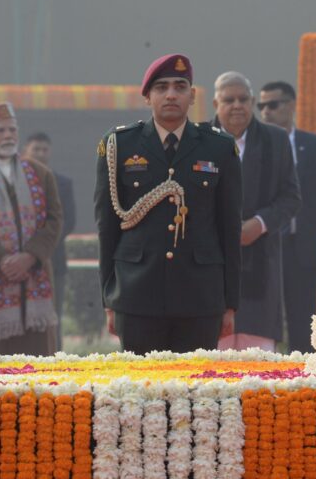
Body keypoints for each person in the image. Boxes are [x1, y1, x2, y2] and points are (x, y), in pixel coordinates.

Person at [94, 54, 242, 354]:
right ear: (148, 97)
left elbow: (229, 229)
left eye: (180, 86)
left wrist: (230, 304)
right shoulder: (119, 145)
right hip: (136, 293)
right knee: (140, 393)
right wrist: (109, 298)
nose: (171, 94)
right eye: (161, 87)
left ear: (193, 95)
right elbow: (107, 227)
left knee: (195, 394)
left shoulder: (219, 147)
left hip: (200, 295)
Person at [212, 72, 301, 352]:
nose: (237, 105)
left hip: (261, 259)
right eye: (229, 100)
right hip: (211, 261)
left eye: (243, 99)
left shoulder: (275, 139)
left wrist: (260, 223)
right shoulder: (199, 140)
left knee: (258, 362)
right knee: (213, 359)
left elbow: (291, 197)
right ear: (216, 104)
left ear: (252, 102)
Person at [259, 81, 316, 353]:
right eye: (262, 106)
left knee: (302, 317)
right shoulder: (256, 145)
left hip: (302, 246)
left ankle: (304, 374)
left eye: (273, 104)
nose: (266, 112)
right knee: (263, 317)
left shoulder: (315, 146)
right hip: (265, 246)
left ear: (291, 105)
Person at [0, 102, 62, 355]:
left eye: (12, 130)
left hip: (35, 279)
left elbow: (55, 220)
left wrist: (30, 256)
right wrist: (1, 259)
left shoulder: (39, 173)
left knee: (36, 368)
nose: (8, 136)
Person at [23, 132, 76, 352]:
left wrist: (38, 250)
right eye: (36, 149)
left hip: (53, 261)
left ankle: (55, 364)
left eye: (45, 149)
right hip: (16, 263)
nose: (41, 154)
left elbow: (67, 221)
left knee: (53, 318)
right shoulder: (10, 182)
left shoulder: (62, 183)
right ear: (26, 150)